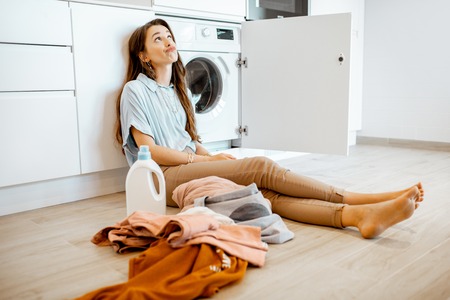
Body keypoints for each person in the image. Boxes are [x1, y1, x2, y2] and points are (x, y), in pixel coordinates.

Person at [114, 18, 424, 239]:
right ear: (143, 56)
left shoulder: (178, 92)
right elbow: (149, 151)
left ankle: (358, 216)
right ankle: (361, 198)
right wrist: (208, 162)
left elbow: (190, 143)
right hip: (161, 178)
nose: (169, 40)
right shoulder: (135, 91)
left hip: (188, 167)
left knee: (260, 193)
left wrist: (218, 159)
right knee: (261, 167)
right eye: (158, 38)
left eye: (169, 35)